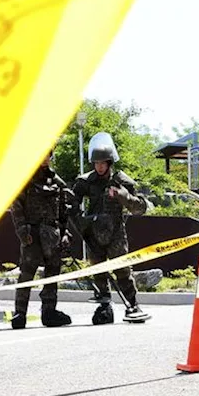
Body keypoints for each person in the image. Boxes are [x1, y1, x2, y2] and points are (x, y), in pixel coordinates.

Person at [71, 132, 150, 325]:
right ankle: (104, 306)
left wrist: (124, 197)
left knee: (122, 271)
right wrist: (81, 224)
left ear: (109, 162)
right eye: (96, 163)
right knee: (98, 270)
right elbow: (70, 205)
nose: (99, 166)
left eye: (102, 163)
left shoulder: (121, 181)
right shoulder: (85, 182)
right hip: (93, 233)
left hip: (116, 233)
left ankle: (133, 305)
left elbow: (141, 208)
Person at [8, 148, 73, 329]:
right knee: (27, 273)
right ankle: (20, 313)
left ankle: (49, 312)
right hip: (32, 235)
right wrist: (22, 230)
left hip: (52, 236)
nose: (44, 158)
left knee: (52, 274)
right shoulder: (25, 179)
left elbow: (63, 211)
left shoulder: (56, 181)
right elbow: (16, 206)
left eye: (47, 155)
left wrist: (65, 233)